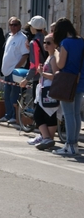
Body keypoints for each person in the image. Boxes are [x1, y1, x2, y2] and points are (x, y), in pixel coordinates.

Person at [52, 18, 84, 155]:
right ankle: (74, 144)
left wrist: (56, 52)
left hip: (67, 82)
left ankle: (70, 144)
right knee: (76, 114)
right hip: (79, 80)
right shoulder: (81, 41)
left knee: (69, 114)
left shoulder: (65, 43)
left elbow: (60, 64)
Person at [28, 34, 60, 150]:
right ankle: (47, 137)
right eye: (44, 42)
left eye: (49, 43)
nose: (45, 45)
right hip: (44, 89)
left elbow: (56, 76)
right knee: (46, 114)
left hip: (49, 90)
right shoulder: (49, 57)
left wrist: (42, 73)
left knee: (40, 114)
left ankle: (46, 137)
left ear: (55, 44)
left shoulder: (53, 59)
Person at [0, 17, 29, 123]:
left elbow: (25, 55)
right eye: (11, 25)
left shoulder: (22, 38)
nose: (13, 27)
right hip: (7, 70)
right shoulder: (9, 36)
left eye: (15, 25)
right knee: (7, 93)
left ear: (20, 26)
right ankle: (7, 114)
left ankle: (13, 116)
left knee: (14, 94)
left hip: (15, 71)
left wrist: (17, 67)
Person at [19, 16, 48, 96]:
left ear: (33, 27)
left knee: (38, 104)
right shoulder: (47, 39)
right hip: (48, 75)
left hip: (38, 78)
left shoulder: (34, 42)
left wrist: (26, 79)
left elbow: (34, 64)